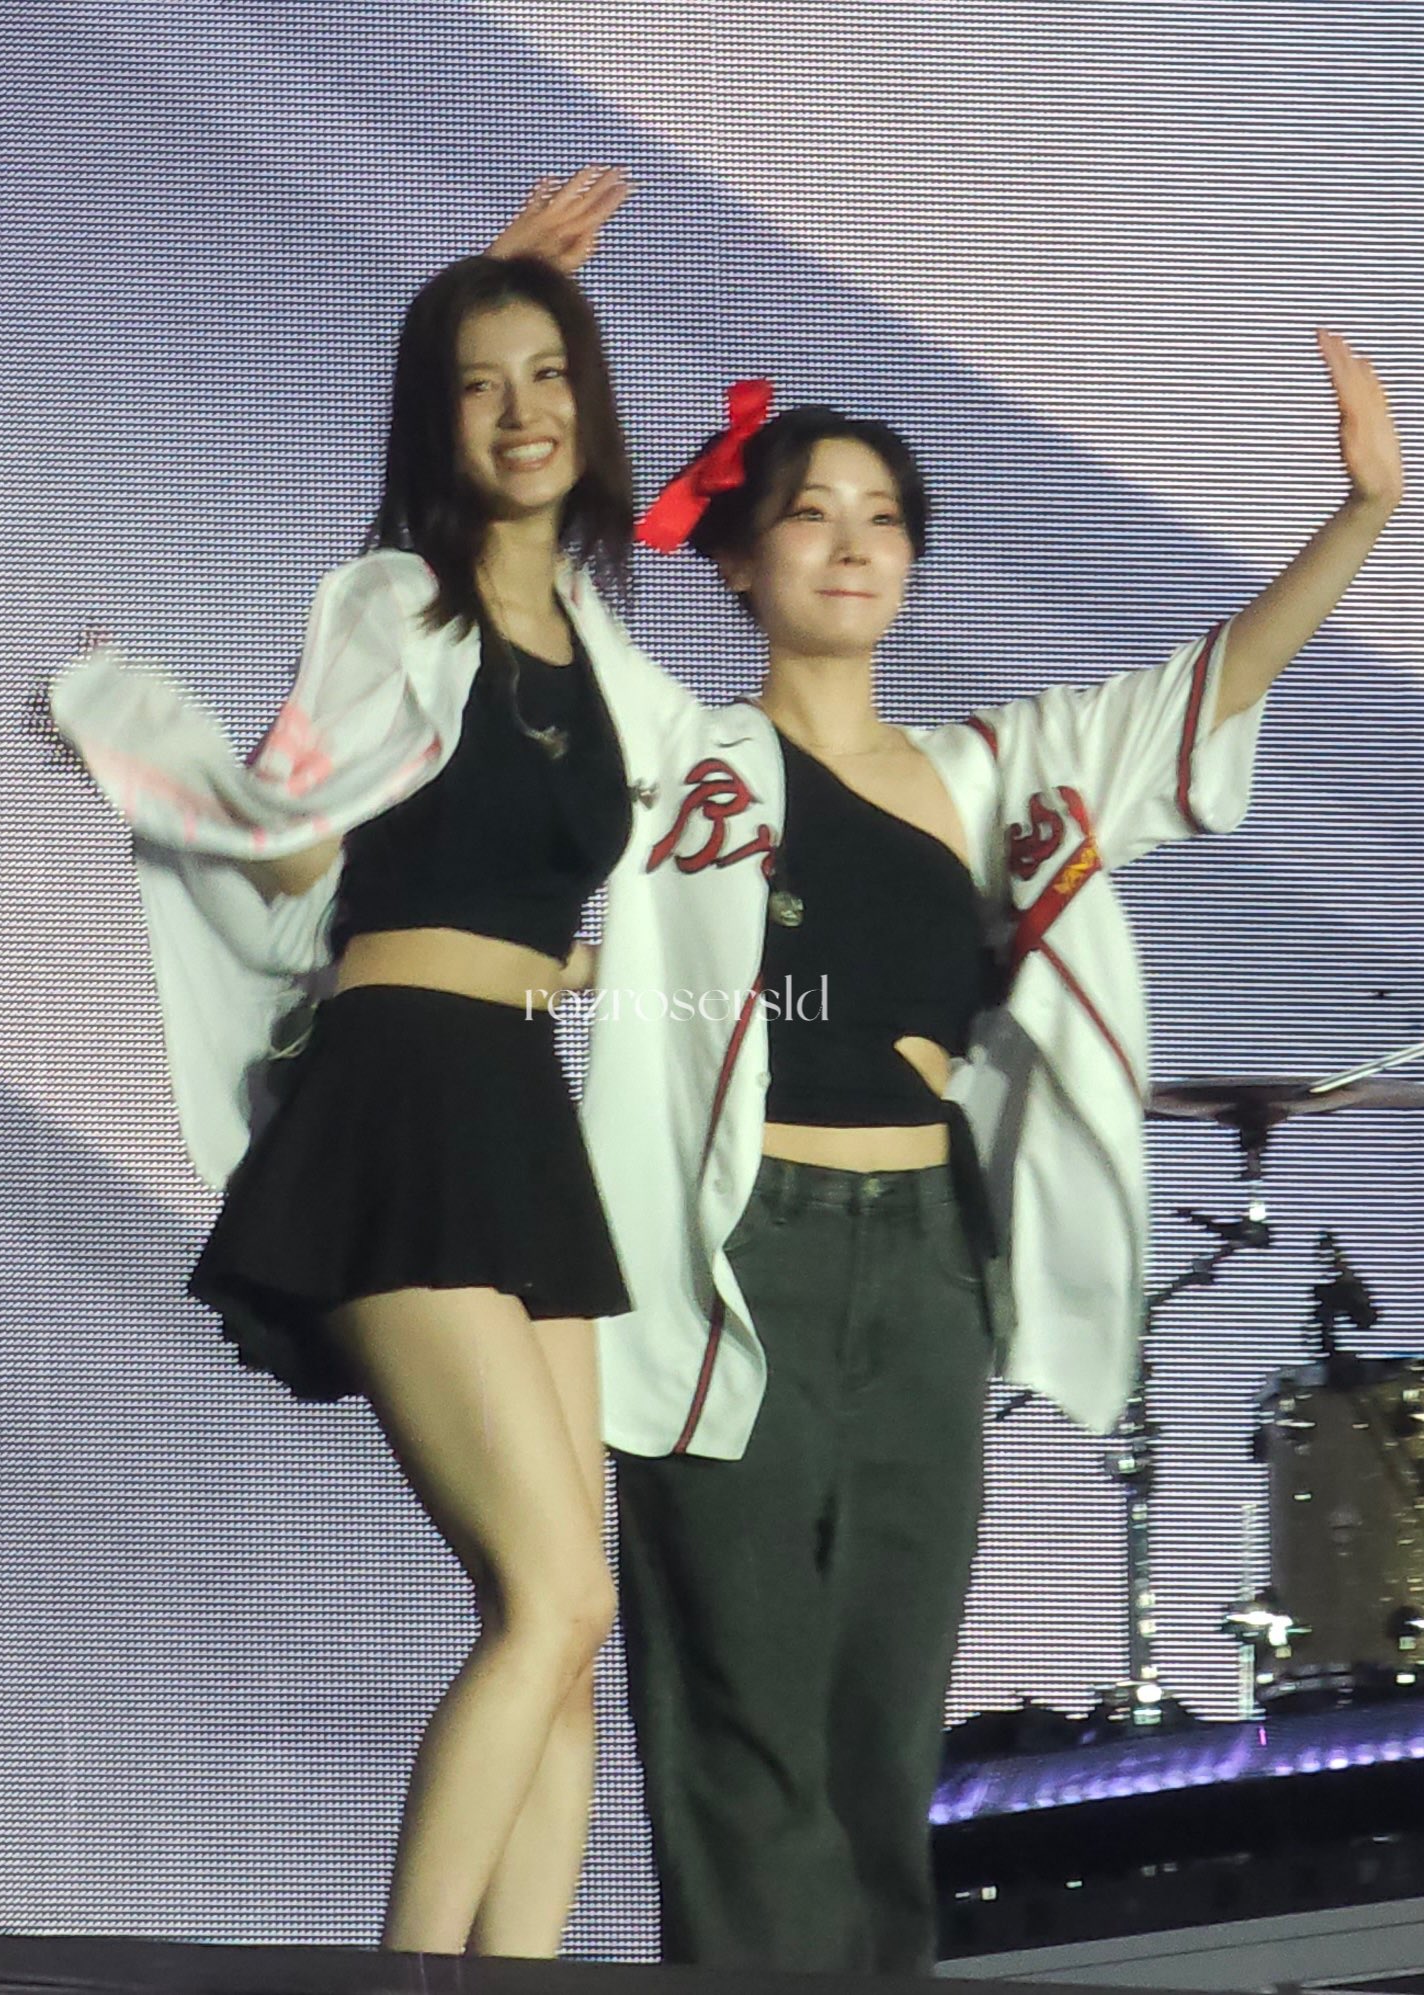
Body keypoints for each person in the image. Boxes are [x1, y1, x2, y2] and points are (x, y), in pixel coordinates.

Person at [576, 336, 1403, 1972]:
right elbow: (519, 603)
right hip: (738, 1254)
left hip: (925, 1257)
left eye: (884, 517)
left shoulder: (992, 771)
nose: (854, 543)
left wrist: (1364, 514)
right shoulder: (687, 756)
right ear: (736, 560)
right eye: (811, 513)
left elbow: (1205, 689)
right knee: (737, 1696)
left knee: (886, 1712)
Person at [50, 171, 698, 1957]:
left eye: (549, 375)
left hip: (520, 1104)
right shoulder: (397, 608)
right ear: (434, 424)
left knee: (570, 1627)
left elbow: (646, 853)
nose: (524, 411)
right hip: (400, 1101)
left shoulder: (606, 657)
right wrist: (146, 744)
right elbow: (292, 848)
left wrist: (595, 965)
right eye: (481, 386)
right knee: (554, 1593)